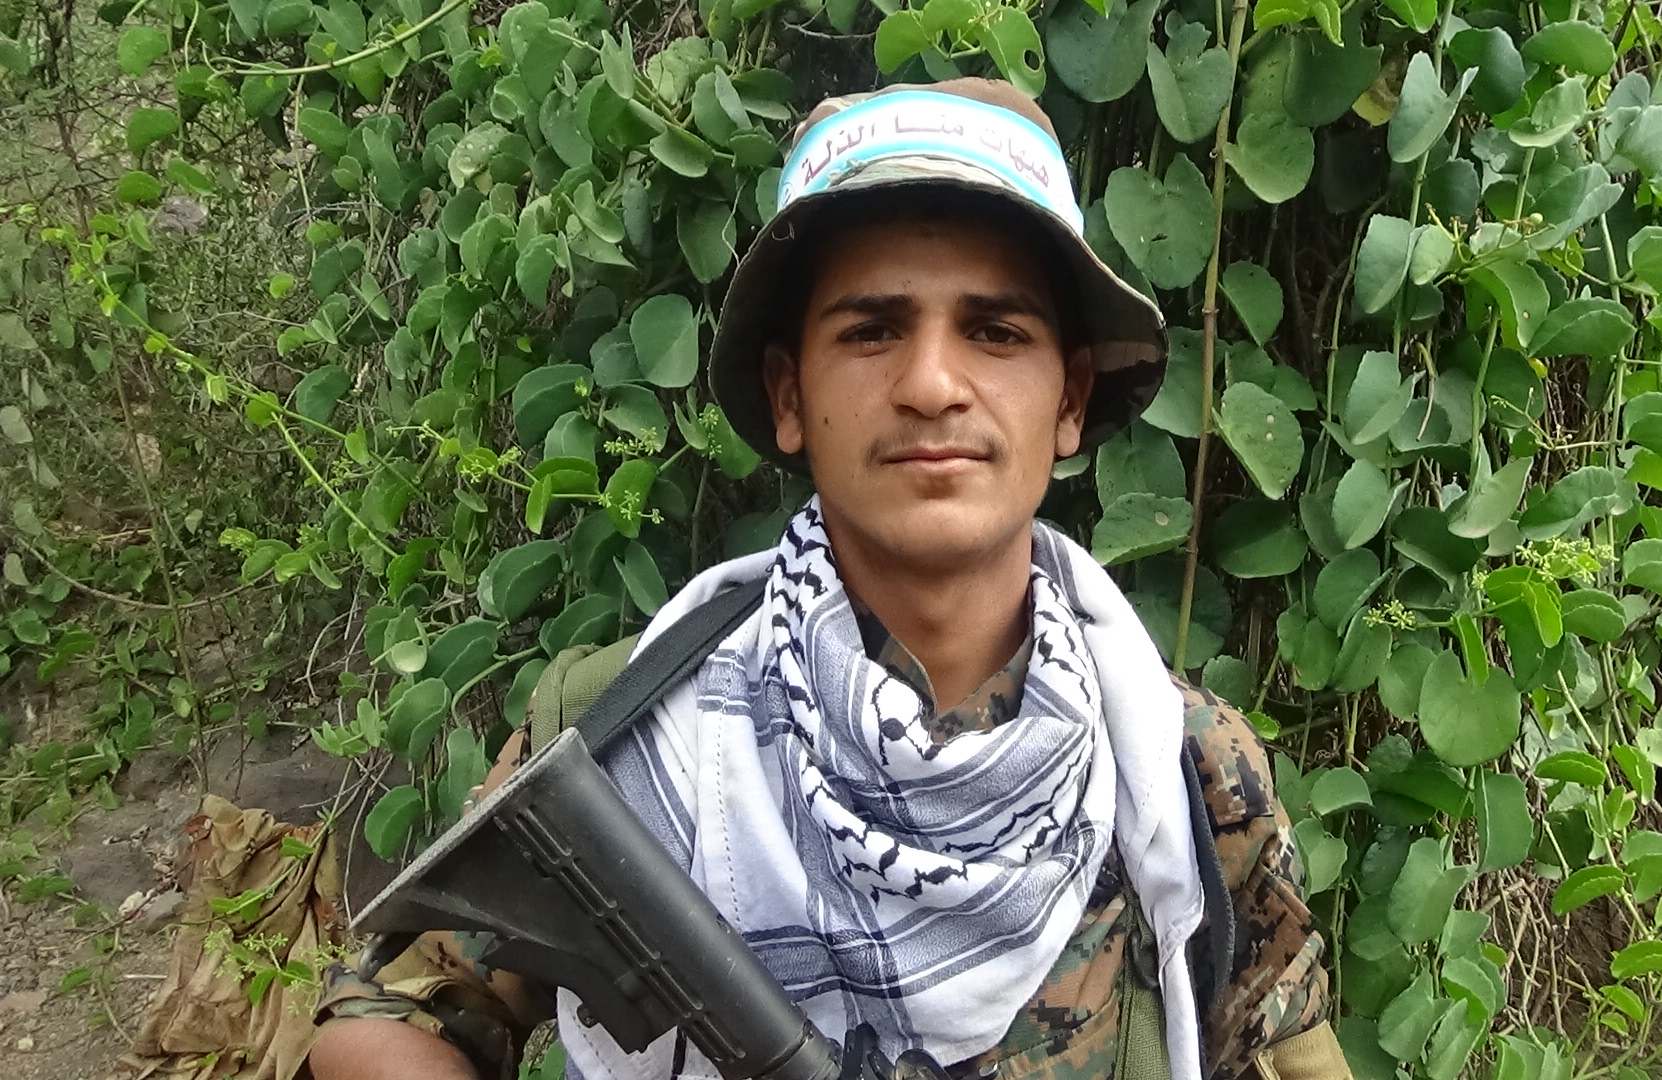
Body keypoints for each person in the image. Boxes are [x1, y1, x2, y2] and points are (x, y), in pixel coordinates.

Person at [305, 78, 1351, 1080]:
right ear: (789, 395)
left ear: (1070, 400)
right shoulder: (622, 729)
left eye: (995, 332)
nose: (932, 384)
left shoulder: (1184, 771)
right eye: (872, 330)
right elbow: (386, 1013)